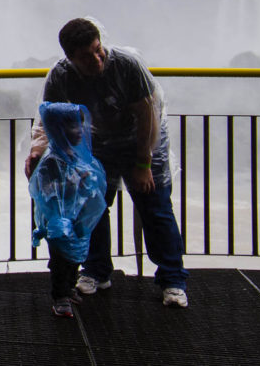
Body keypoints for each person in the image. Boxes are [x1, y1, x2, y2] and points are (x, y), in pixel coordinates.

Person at [25, 18, 189, 308]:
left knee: (155, 207)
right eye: (86, 56)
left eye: (98, 50)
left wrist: (143, 163)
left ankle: (173, 280)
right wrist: (37, 152)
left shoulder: (126, 65)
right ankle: (97, 271)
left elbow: (148, 115)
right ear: (70, 58)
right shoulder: (62, 76)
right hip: (97, 144)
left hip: (142, 139)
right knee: (93, 206)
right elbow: (48, 120)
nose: (97, 59)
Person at [29, 101, 109, 317]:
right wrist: (75, 184)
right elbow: (45, 188)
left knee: (74, 256)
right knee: (60, 258)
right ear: (58, 130)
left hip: (75, 216)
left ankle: (70, 287)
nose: (79, 131)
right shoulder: (52, 160)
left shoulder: (75, 156)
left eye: (79, 126)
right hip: (58, 220)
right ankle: (60, 296)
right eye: (73, 127)